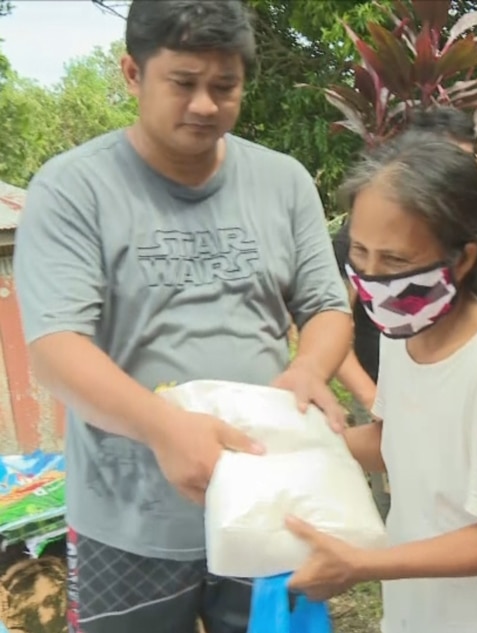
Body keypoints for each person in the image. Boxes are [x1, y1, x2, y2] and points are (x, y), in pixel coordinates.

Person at [13, 2, 352, 631]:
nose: (205, 104)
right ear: (132, 74)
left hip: (266, 501)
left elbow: (326, 305)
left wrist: (312, 365)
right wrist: (165, 429)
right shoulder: (72, 190)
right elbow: (57, 349)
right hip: (128, 518)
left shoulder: (282, 182)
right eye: (184, 83)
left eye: (224, 87)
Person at [284, 132, 477, 633]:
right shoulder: (406, 326)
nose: (371, 278)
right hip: (422, 610)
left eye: (394, 261)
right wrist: (297, 446)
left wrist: (362, 564)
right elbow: (393, 437)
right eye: (359, 253)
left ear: (460, 260)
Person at [331, 106, 477, 521]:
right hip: (383, 388)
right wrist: (371, 396)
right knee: (403, 499)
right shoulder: (362, 239)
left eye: (466, 165)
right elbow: (331, 324)